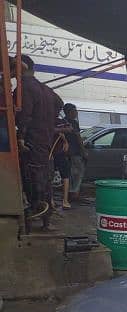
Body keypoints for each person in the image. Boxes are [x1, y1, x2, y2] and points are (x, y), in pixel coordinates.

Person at [12, 55, 62, 231]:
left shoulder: (25, 88)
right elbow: (59, 103)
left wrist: (21, 137)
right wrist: (48, 122)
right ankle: (45, 218)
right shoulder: (46, 89)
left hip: (32, 142)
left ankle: (34, 213)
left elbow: (24, 115)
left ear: (22, 68)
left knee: (31, 177)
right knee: (44, 177)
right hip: (45, 141)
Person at [62, 103, 85, 208]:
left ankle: (71, 192)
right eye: (74, 111)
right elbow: (78, 138)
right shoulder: (71, 123)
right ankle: (73, 192)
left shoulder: (64, 122)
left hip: (68, 152)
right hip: (74, 152)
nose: (76, 113)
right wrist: (83, 150)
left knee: (70, 173)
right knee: (77, 172)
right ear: (69, 112)